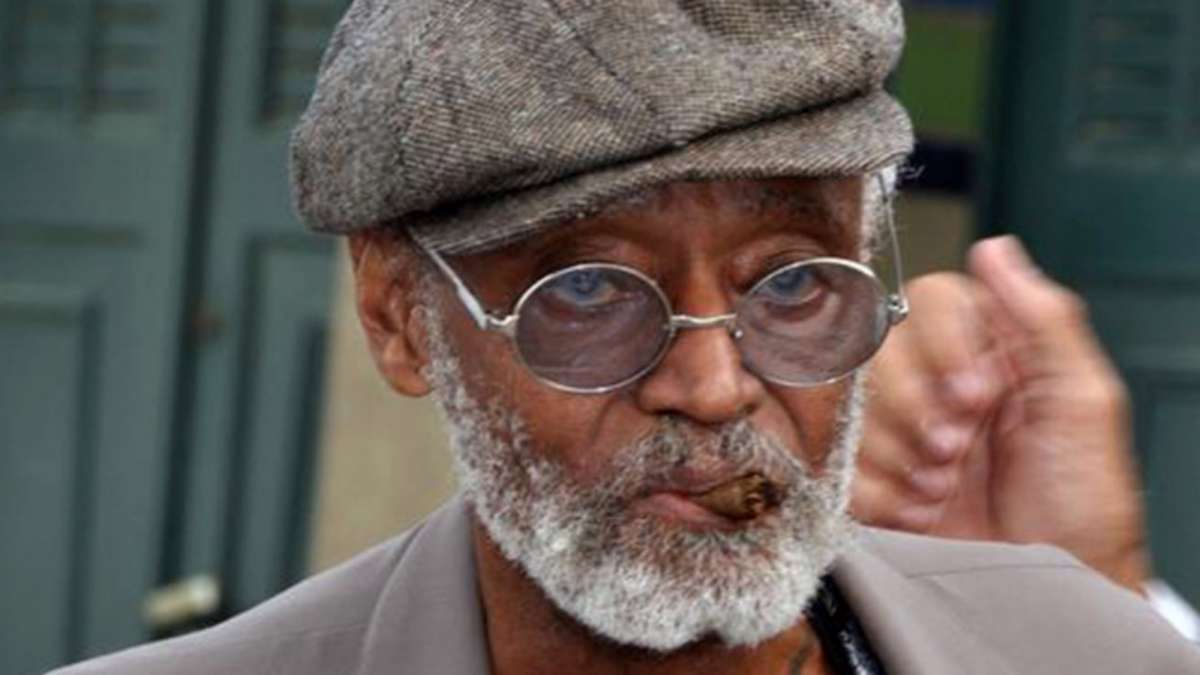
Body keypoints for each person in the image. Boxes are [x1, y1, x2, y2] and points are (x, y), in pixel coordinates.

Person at [52, 1, 1199, 673]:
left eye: (795, 283)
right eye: (590, 293)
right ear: (399, 315)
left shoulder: (1095, 648)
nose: (713, 386)